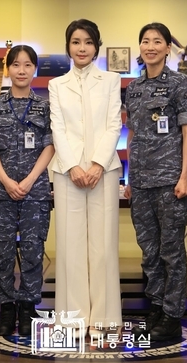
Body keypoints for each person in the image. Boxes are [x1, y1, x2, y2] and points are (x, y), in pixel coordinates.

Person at [124, 22, 187, 341]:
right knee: (149, 251)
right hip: (141, 181)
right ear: (140, 48)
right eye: (145, 41)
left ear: (169, 48)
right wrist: (129, 177)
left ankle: (171, 314)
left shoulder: (181, 84)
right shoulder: (134, 88)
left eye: (158, 41)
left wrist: (185, 177)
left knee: (171, 251)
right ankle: (155, 306)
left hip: (170, 181)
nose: (151, 46)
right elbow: (133, 134)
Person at [49, 19, 123, 337]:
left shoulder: (111, 80)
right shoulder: (57, 85)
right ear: (68, 46)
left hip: (103, 172)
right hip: (67, 174)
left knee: (103, 247)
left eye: (88, 42)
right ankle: (72, 318)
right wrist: (73, 166)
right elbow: (58, 128)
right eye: (76, 42)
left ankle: (105, 318)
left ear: (97, 46)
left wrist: (95, 164)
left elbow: (113, 125)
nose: (82, 48)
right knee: (70, 247)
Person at [0, 45, 55, 337]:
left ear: (34, 69)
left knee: (34, 251)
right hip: (1, 193)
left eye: (27, 65)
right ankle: (6, 307)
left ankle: (27, 307)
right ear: (7, 69)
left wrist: (29, 180)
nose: (21, 70)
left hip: (34, 192)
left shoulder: (45, 106)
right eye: (16, 65)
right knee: (2, 253)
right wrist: (7, 181)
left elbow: (49, 146)